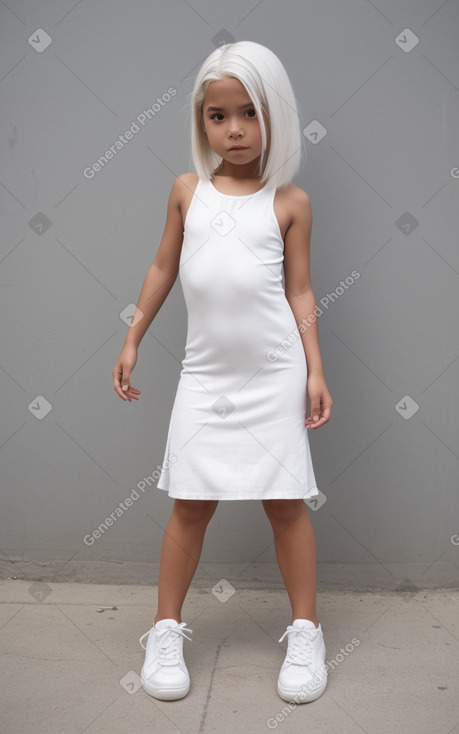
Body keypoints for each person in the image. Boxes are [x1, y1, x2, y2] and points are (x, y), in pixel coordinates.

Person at [112, 40, 333, 704]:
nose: (233, 130)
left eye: (248, 113)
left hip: (272, 375)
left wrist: (314, 369)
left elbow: (299, 290)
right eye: (217, 115)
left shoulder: (289, 202)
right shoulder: (187, 192)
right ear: (200, 120)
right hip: (204, 377)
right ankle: (165, 627)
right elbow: (161, 267)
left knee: (286, 503)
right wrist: (133, 337)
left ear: (275, 117)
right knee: (189, 503)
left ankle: (304, 630)